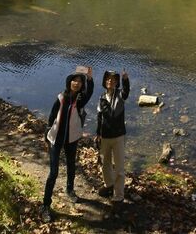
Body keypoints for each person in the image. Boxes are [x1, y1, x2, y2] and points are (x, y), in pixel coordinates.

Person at [41, 67, 93, 223]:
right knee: (53, 172)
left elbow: (89, 93)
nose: (76, 83)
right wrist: (46, 136)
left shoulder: (80, 100)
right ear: (69, 82)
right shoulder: (61, 97)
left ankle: (70, 190)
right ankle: (45, 206)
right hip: (56, 139)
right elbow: (51, 117)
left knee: (71, 165)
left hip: (71, 139)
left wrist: (89, 79)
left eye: (79, 81)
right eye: (74, 80)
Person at [96, 69, 130, 206]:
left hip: (118, 136)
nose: (110, 81)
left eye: (113, 80)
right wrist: (98, 134)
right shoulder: (102, 98)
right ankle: (109, 185)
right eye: (108, 79)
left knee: (119, 167)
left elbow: (126, 92)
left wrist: (125, 80)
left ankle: (119, 195)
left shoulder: (120, 96)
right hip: (104, 136)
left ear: (116, 82)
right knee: (105, 164)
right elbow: (99, 118)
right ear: (105, 82)